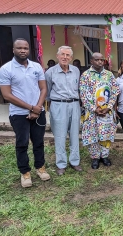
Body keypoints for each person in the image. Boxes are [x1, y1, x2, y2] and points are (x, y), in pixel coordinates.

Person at [0, 38, 50, 187]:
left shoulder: (36, 67)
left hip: (37, 111)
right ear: (13, 50)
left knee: (39, 142)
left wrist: (37, 108)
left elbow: (43, 88)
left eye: (25, 48)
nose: (22, 50)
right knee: (22, 143)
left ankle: (40, 167)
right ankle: (25, 173)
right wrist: (30, 108)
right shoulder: (6, 69)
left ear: (29, 50)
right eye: (19, 48)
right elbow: (7, 95)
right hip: (18, 114)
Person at [45, 46, 82, 175]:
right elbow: (47, 91)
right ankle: (61, 163)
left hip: (75, 104)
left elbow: (78, 89)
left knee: (74, 134)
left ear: (71, 58)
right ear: (57, 56)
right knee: (60, 136)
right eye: (62, 54)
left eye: (68, 55)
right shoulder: (50, 72)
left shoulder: (76, 70)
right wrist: (53, 105)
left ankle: (75, 161)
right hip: (58, 105)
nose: (65, 57)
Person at [79, 52, 119, 169]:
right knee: (93, 134)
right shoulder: (85, 75)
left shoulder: (109, 75)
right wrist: (93, 109)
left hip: (107, 112)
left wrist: (109, 107)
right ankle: (95, 157)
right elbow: (83, 94)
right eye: (97, 60)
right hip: (91, 112)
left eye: (102, 60)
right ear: (91, 61)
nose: (100, 62)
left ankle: (105, 156)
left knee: (106, 133)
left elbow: (115, 91)